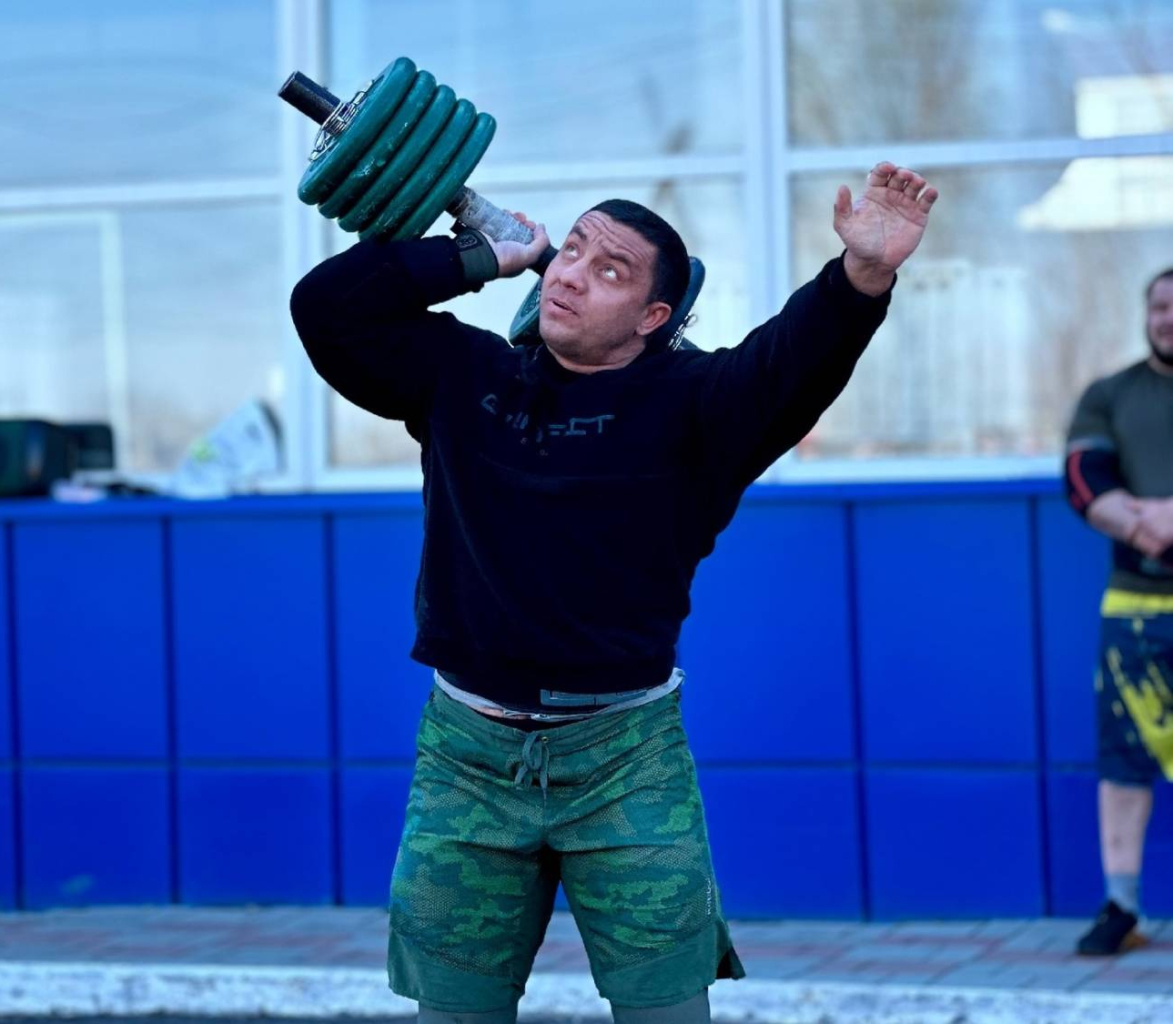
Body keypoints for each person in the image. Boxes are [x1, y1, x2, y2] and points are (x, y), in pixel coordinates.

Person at [291, 161, 938, 1023]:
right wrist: (474, 258)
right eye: (571, 251)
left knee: (666, 1012)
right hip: (465, 759)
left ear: (652, 317)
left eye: (609, 271)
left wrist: (860, 275)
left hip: (625, 762)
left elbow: (794, 361)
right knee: (451, 1013)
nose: (570, 275)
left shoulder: (699, 408)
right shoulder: (463, 376)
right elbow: (327, 307)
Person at [1065, 266, 1173, 957]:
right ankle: (1121, 907)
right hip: (1134, 609)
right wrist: (1144, 524)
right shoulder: (1109, 394)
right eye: (1160, 306)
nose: (1168, 318)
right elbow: (1084, 480)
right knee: (1124, 760)